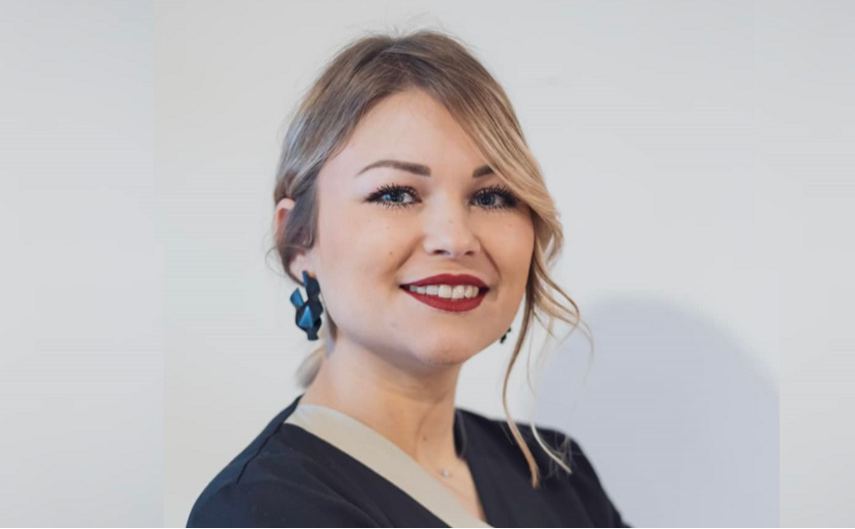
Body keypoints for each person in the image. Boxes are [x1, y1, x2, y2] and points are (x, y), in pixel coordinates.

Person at [187, 28, 630, 528]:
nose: (455, 238)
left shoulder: (559, 476)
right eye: (396, 194)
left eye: (491, 197)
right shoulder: (258, 511)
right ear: (298, 240)